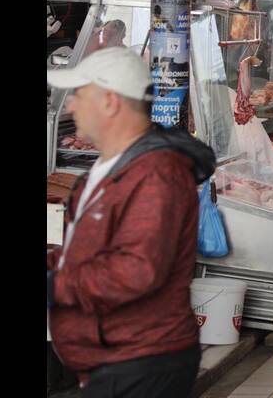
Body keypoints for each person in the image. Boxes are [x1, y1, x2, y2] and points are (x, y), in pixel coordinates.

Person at [46, 47, 215, 397]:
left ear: (110, 101)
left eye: (80, 94)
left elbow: (137, 270)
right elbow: (87, 251)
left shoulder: (157, 174)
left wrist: (54, 285)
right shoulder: (112, 167)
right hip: (113, 359)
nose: (71, 106)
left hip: (141, 361)